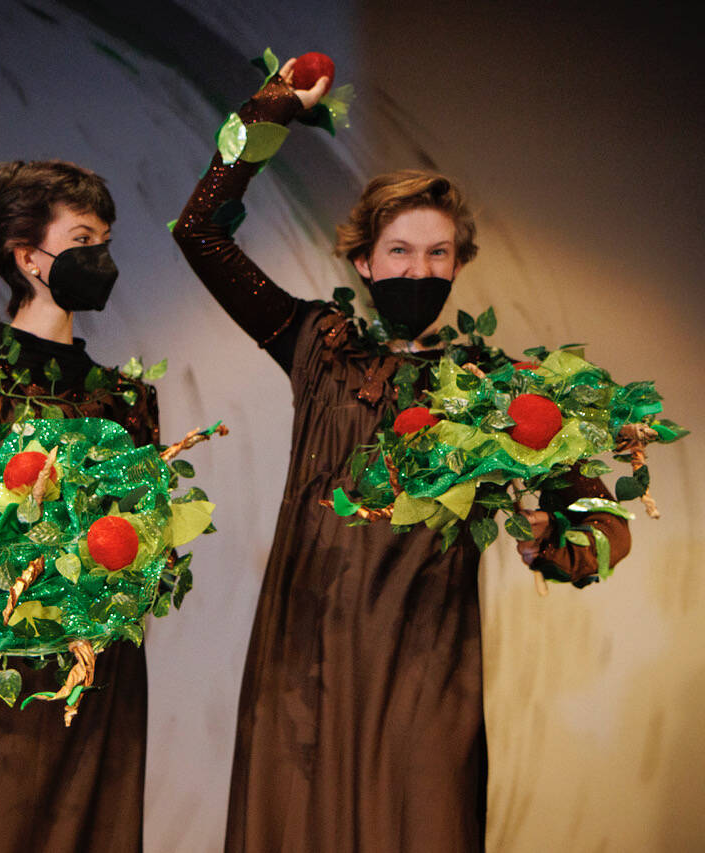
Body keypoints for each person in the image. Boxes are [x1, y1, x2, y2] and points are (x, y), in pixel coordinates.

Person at [171, 62, 631, 851]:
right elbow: (200, 230)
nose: (419, 271)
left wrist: (552, 541)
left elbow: (594, 522)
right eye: (400, 251)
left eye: (439, 255)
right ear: (363, 261)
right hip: (307, 653)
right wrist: (274, 105)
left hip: (427, 658)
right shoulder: (316, 343)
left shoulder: (492, 389)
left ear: (459, 264)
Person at [0, 160, 158, 852]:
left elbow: (146, 537)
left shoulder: (127, 399)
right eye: (82, 237)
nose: (99, 256)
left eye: (104, 238)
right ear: (28, 256)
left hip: (96, 669)